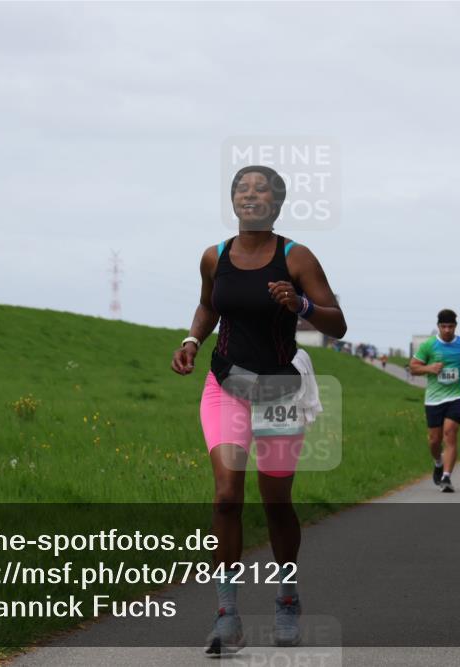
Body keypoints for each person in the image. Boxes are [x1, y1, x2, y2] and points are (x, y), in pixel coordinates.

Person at [170, 165, 347, 654]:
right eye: (242, 189)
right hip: (225, 383)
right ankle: (227, 614)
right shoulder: (215, 256)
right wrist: (191, 339)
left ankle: (287, 597)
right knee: (227, 495)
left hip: (280, 391)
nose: (251, 196)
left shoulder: (297, 257)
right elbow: (209, 305)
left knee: (276, 502)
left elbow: (339, 321)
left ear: (277, 202)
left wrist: (301, 305)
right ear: (233, 201)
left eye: (261, 190)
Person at [409, 309, 460, 493]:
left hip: (456, 396)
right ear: (438, 326)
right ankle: (438, 463)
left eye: (451, 326)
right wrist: (430, 368)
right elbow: (413, 367)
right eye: (444, 326)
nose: (447, 330)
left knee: (450, 434)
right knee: (434, 440)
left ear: (455, 326)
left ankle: (446, 477)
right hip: (434, 399)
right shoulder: (429, 345)